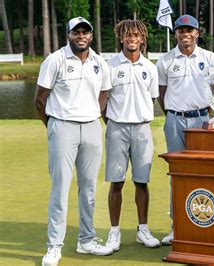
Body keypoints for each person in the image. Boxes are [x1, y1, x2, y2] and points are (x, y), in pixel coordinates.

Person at [34, 17, 113, 266]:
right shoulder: (55, 60)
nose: (81, 36)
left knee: (88, 189)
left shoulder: (99, 63)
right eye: (76, 32)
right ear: (68, 35)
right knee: (61, 188)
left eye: (86, 32)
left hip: (91, 127)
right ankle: (54, 246)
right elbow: (40, 99)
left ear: (91, 36)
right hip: (62, 127)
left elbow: (104, 95)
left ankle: (86, 240)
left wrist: (92, 114)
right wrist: (54, 126)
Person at [156, 14, 214, 245]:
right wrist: (173, 113)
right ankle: (178, 226)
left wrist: (208, 113)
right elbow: (161, 94)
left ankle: (206, 221)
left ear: (197, 33)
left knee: (205, 172)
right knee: (178, 175)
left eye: (189, 30)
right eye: (181, 31)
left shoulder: (209, 57)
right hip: (175, 120)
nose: (185, 34)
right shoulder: (165, 60)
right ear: (176, 34)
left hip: (202, 120)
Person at [104, 20, 160, 252]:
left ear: (142, 38)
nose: (132, 39)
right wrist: (113, 121)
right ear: (121, 38)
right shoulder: (110, 66)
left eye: (136, 35)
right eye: (127, 35)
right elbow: (103, 100)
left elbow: (153, 98)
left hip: (142, 129)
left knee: (141, 181)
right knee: (116, 182)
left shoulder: (151, 67)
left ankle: (143, 230)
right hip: (117, 127)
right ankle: (114, 232)